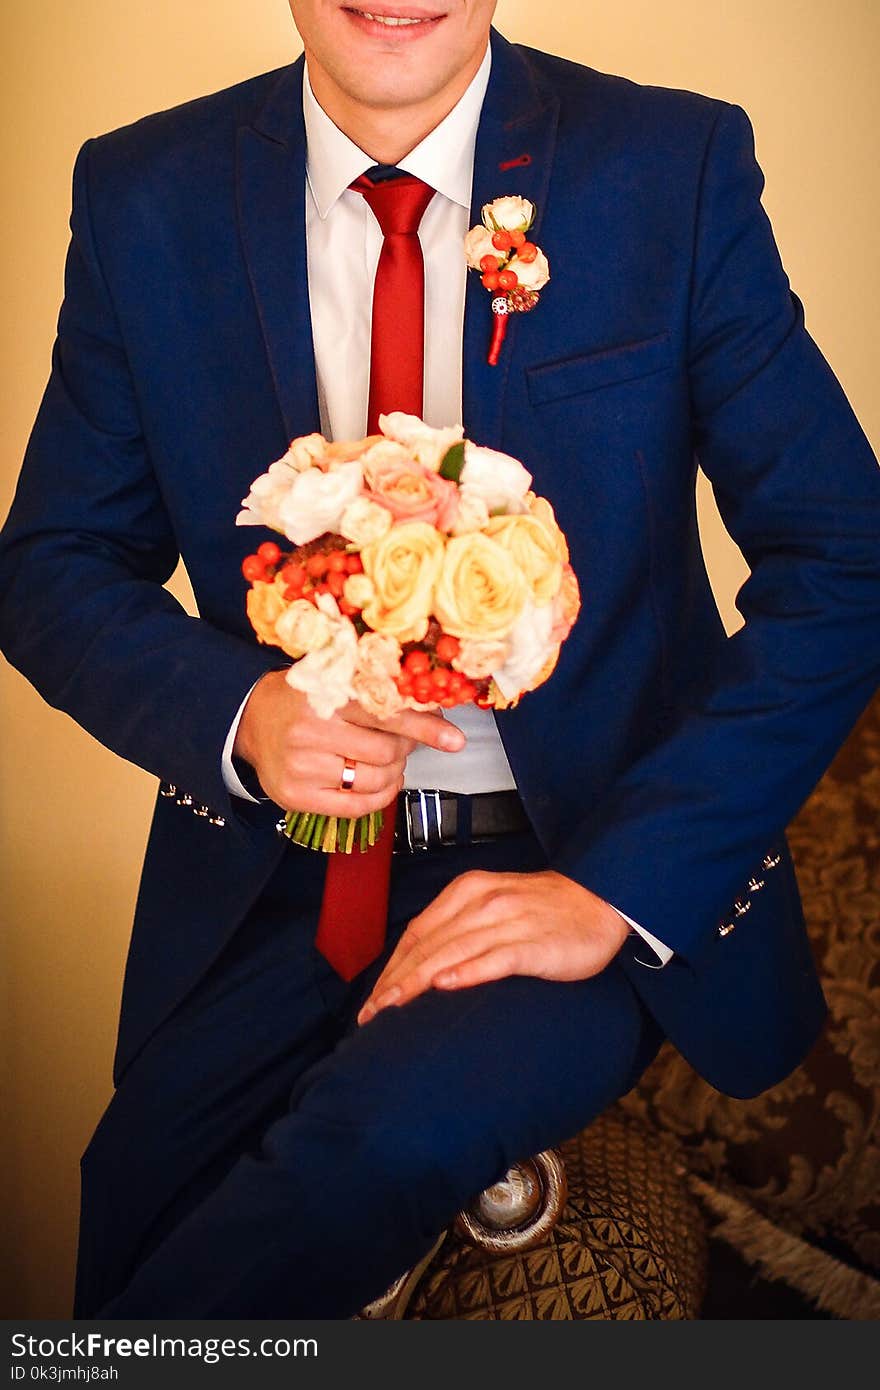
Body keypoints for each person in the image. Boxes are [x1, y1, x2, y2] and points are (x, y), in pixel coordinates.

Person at [1, 0, 878, 1318]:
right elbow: (50, 560)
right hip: (274, 880)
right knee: (132, 1199)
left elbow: (850, 560)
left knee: (360, 1151)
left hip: (569, 861)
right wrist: (241, 713)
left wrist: (609, 890)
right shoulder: (143, 193)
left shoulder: (667, 167)